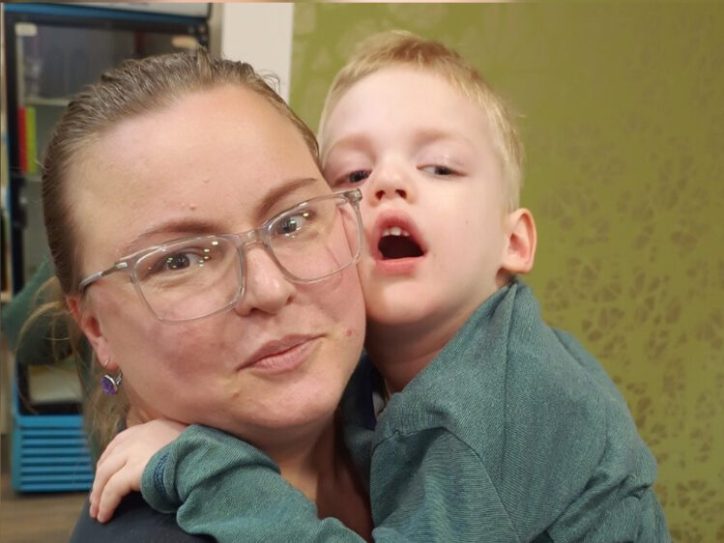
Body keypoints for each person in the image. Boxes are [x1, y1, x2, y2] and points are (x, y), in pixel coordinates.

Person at [91, 32, 671, 542]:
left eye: (440, 167)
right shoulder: (379, 372)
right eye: (355, 175)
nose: (388, 182)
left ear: (514, 243)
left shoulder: (487, 411)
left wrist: (206, 472)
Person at [37, 48, 373, 541]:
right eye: (179, 261)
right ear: (96, 328)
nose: (269, 288)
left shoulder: (416, 405)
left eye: (292, 221)